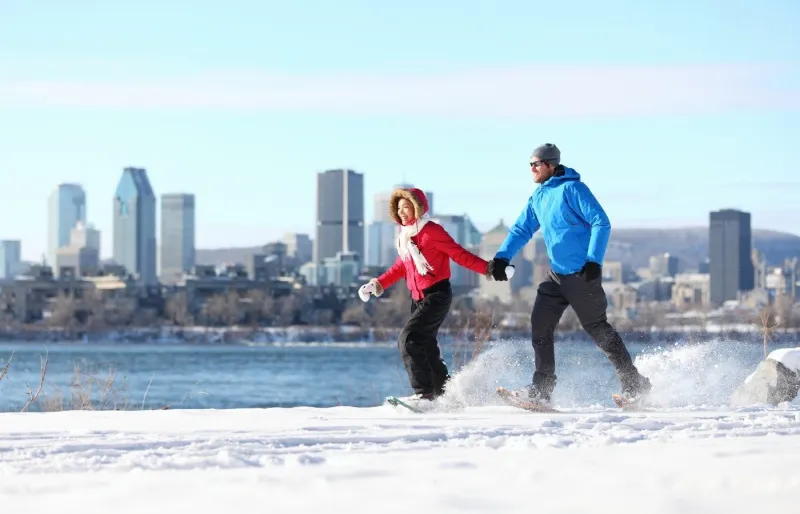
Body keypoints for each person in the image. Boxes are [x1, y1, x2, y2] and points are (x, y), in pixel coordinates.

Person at [489, 143, 651, 406]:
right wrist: (502, 257)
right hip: (556, 275)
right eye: (530, 164)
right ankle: (541, 390)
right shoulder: (538, 196)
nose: (532, 168)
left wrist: (594, 261)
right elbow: (521, 229)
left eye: (536, 164)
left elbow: (601, 221)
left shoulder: (573, 189)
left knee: (597, 329)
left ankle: (635, 384)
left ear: (551, 165)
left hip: (581, 274)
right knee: (540, 323)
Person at [359, 187, 494, 405]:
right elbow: (399, 268)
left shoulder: (432, 231)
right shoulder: (405, 237)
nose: (402, 212)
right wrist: (376, 284)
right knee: (427, 346)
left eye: (407, 207)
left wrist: (488, 269)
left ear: (418, 208)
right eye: (399, 208)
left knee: (409, 339)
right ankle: (444, 394)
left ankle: (423, 394)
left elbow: (459, 254)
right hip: (418, 298)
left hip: (437, 294)